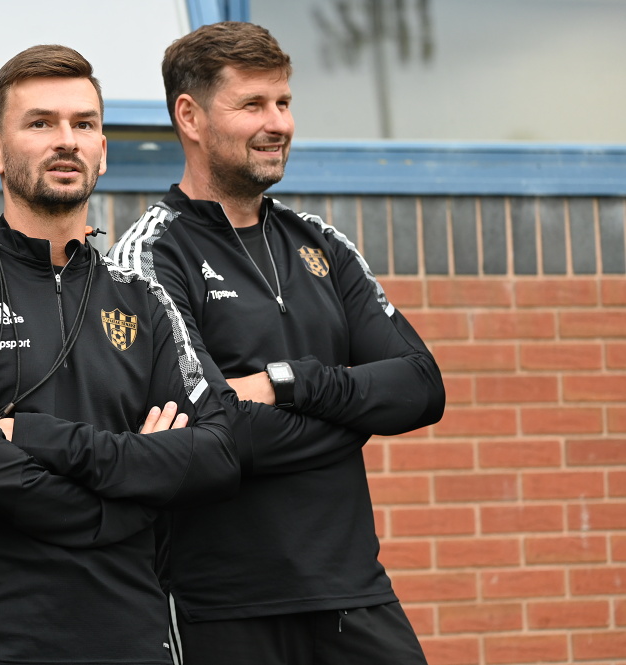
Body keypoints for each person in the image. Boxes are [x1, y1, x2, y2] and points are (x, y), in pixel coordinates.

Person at [110, 22, 445, 665]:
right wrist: (356, 416)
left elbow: (422, 386)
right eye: (253, 105)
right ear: (190, 116)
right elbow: (215, 435)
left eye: (284, 102)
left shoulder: (323, 244)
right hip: (224, 608)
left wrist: (290, 383)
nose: (279, 124)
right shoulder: (149, 255)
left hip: (354, 593)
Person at [0, 44, 240, 665]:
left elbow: (217, 453)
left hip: (132, 639)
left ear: (103, 151)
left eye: (83, 124)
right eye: (40, 123)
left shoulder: (145, 298)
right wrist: (134, 495)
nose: (66, 140)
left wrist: (38, 437)